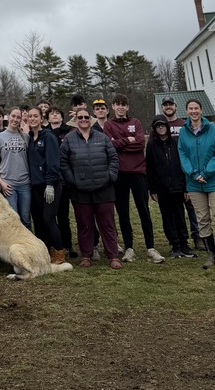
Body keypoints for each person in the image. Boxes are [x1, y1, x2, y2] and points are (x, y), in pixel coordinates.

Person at [103, 96, 165, 264]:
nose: (121, 107)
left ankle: (151, 247)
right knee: (123, 213)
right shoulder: (109, 125)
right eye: (118, 105)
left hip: (138, 173)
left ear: (127, 107)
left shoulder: (136, 122)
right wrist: (126, 140)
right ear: (113, 107)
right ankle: (129, 248)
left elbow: (139, 144)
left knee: (144, 210)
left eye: (124, 104)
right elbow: (110, 145)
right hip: (120, 174)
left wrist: (120, 142)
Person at [60, 106, 121, 269]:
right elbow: (63, 162)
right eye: (80, 118)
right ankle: (86, 255)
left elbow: (113, 158)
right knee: (84, 225)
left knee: (108, 224)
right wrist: (72, 180)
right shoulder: (69, 139)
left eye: (86, 117)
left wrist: (110, 176)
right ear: (76, 121)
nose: (84, 120)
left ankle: (113, 255)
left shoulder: (102, 138)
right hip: (80, 190)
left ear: (91, 119)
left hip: (104, 189)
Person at [177, 98, 215, 268]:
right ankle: (210, 255)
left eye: (196, 108)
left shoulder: (212, 129)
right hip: (194, 183)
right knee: (202, 219)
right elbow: (183, 155)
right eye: (190, 108)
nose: (193, 111)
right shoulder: (183, 132)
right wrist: (193, 174)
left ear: (201, 110)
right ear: (187, 111)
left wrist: (206, 172)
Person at [146, 116, 196, 258]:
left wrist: (186, 187)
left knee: (180, 215)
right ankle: (174, 244)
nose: (161, 128)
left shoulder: (176, 142)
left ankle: (184, 244)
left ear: (167, 127)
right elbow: (150, 169)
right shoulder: (151, 145)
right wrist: (152, 189)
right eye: (158, 126)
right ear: (155, 129)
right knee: (167, 217)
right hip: (162, 188)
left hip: (178, 186)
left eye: (163, 125)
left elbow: (184, 165)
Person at [160, 95, 203, 251]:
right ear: (162, 107)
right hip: (170, 175)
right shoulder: (159, 125)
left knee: (192, 206)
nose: (168, 107)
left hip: (187, 170)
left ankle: (197, 236)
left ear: (175, 106)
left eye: (170, 104)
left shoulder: (184, 124)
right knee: (174, 209)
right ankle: (176, 239)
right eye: (165, 105)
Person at [26, 107, 65, 263]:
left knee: (49, 219)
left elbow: (53, 162)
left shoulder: (48, 136)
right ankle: (44, 252)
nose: (33, 118)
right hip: (34, 185)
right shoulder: (29, 138)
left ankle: (60, 251)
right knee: (38, 220)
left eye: (36, 116)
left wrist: (50, 183)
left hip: (50, 185)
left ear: (42, 118)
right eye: (30, 116)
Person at [0, 106, 31, 228]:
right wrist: (0, 181)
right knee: (13, 219)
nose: (15, 119)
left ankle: (28, 246)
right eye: (13, 116)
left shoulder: (26, 137)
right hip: (8, 184)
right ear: (8, 117)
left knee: (26, 218)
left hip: (24, 183)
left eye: (18, 117)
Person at [47, 105, 77, 258]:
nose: (55, 116)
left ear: (62, 116)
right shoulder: (45, 133)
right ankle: (54, 245)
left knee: (64, 215)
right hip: (52, 179)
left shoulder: (69, 132)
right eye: (51, 114)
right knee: (53, 215)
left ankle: (68, 245)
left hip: (67, 179)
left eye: (57, 113)